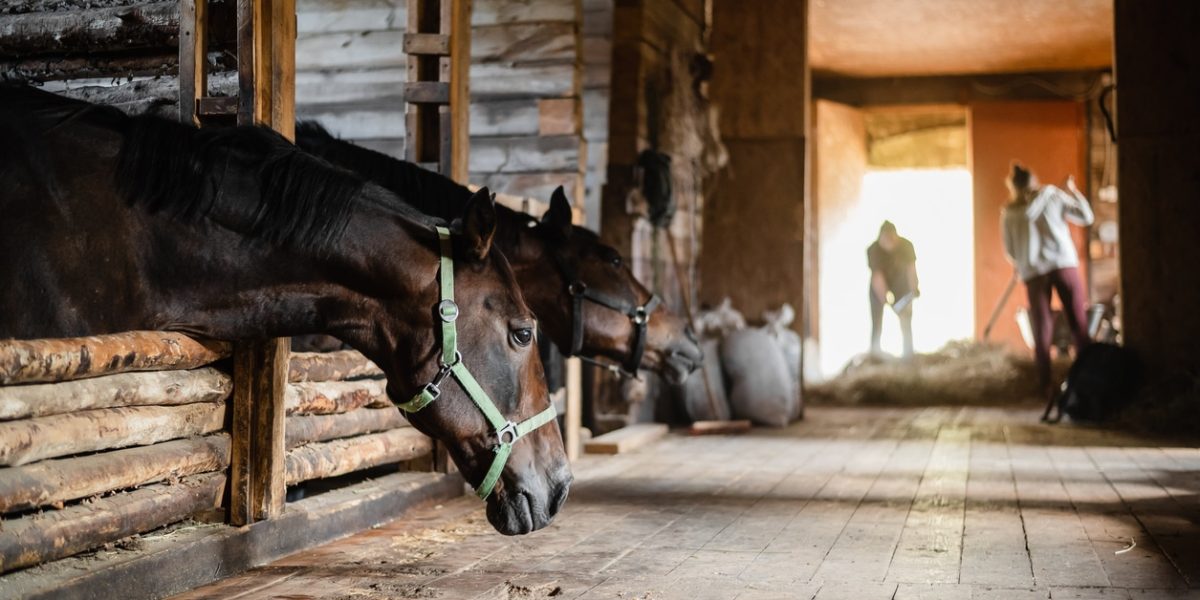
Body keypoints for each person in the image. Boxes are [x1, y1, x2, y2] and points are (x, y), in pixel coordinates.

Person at [1001, 162, 1094, 396]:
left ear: (1013, 186)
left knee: (1041, 329)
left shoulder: (1010, 214)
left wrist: (1024, 259)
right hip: (1063, 264)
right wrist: (1071, 190)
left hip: (1033, 272)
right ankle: (1087, 380)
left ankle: (1044, 385)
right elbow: (1086, 216)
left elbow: (1010, 251)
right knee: (1078, 323)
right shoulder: (1053, 195)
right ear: (1034, 181)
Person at [868, 221, 919, 358]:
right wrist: (885, 299)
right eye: (886, 239)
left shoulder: (906, 246)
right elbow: (877, 277)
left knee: (906, 316)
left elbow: (911, 269)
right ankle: (875, 352)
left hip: (900, 284)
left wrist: (914, 288)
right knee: (876, 320)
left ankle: (908, 353)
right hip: (879, 287)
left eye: (892, 239)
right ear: (880, 239)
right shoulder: (873, 250)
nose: (889, 242)